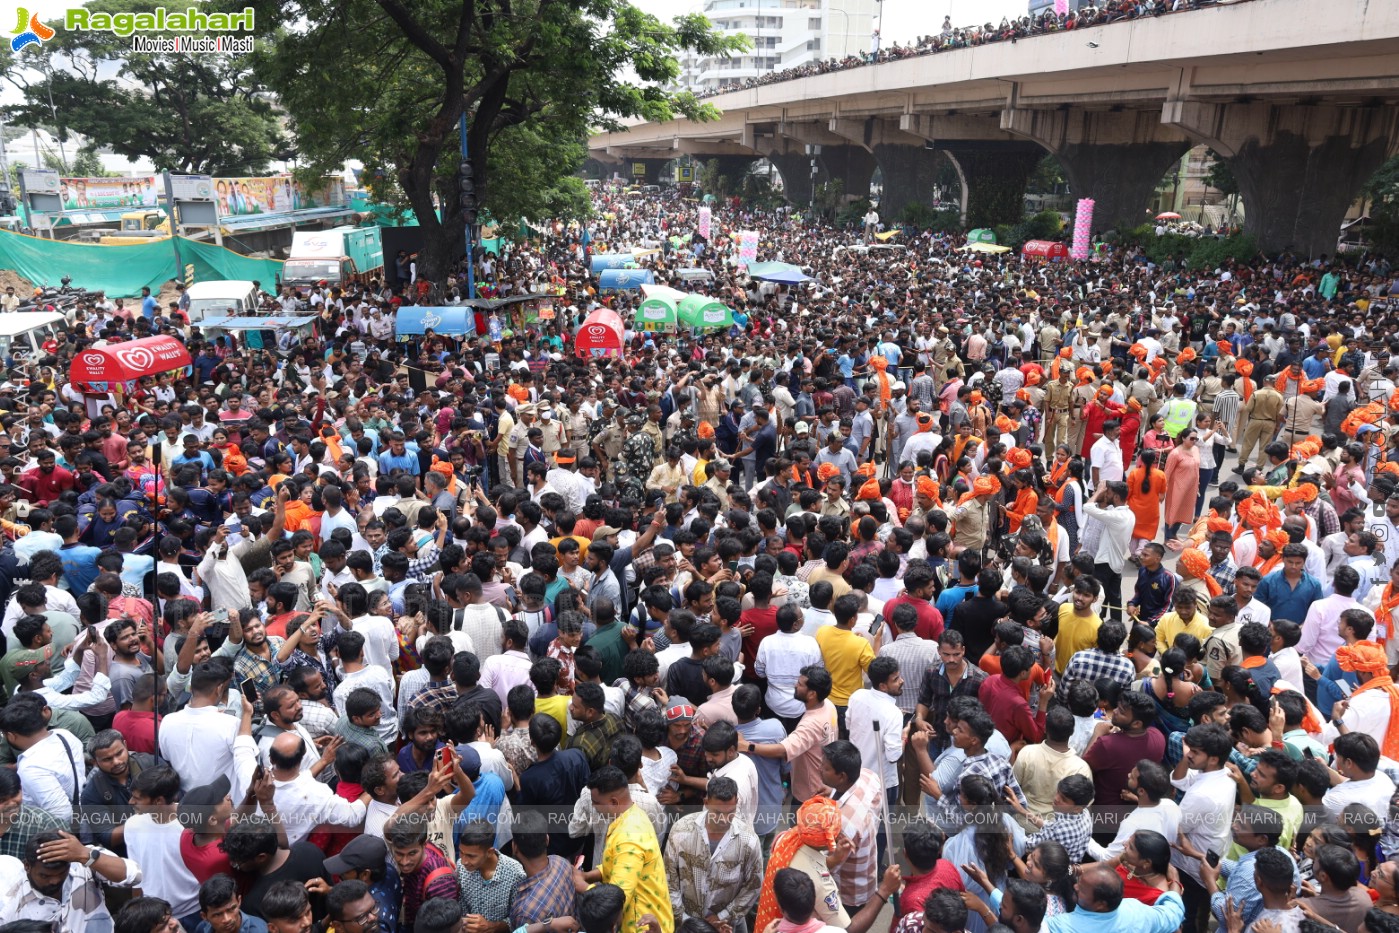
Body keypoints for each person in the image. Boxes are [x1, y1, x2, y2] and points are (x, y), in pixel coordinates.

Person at [571, 766, 672, 933]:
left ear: (613, 802)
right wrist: (589, 875)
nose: (594, 807)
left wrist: (582, 886)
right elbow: (620, 865)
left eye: (596, 803)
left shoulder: (629, 839)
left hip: (641, 925)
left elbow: (616, 900)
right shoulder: (632, 815)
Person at [663, 776, 762, 933]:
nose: (723, 819)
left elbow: (752, 887)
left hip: (727, 926)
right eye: (717, 812)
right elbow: (669, 878)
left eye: (730, 812)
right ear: (706, 802)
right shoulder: (681, 830)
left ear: (737, 803)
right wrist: (686, 920)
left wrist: (722, 916)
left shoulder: (748, 841)